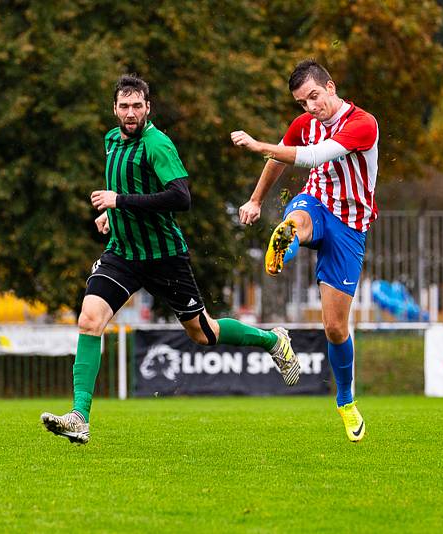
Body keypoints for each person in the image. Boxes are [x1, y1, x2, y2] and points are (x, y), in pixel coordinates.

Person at [41, 74, 299, 445]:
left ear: (148, 108)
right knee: (89, 320)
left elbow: (181, 198)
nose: (130, 113)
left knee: (203, 333)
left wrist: (119, 203)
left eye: (137, 106)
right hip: (123, 254)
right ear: (114, 109)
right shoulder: (112, 141)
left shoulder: (157, 144)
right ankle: (80, 416)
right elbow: (128, 190)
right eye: (124, 106)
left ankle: (272, 341)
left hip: (164, 257)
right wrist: (112, 216)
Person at [231, 59, 378, 442]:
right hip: (315, 202)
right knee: (297, 218)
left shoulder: (363, 124)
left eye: (314, 96)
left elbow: (315, 156)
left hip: (350, 226)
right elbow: (278, 162)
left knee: (334, 328)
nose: (311, 107)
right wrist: (256, 200)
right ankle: (286, 242)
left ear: (331, 87)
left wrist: (257, 144)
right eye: (302, 102)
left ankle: (345, 401)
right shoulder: (304, 125)